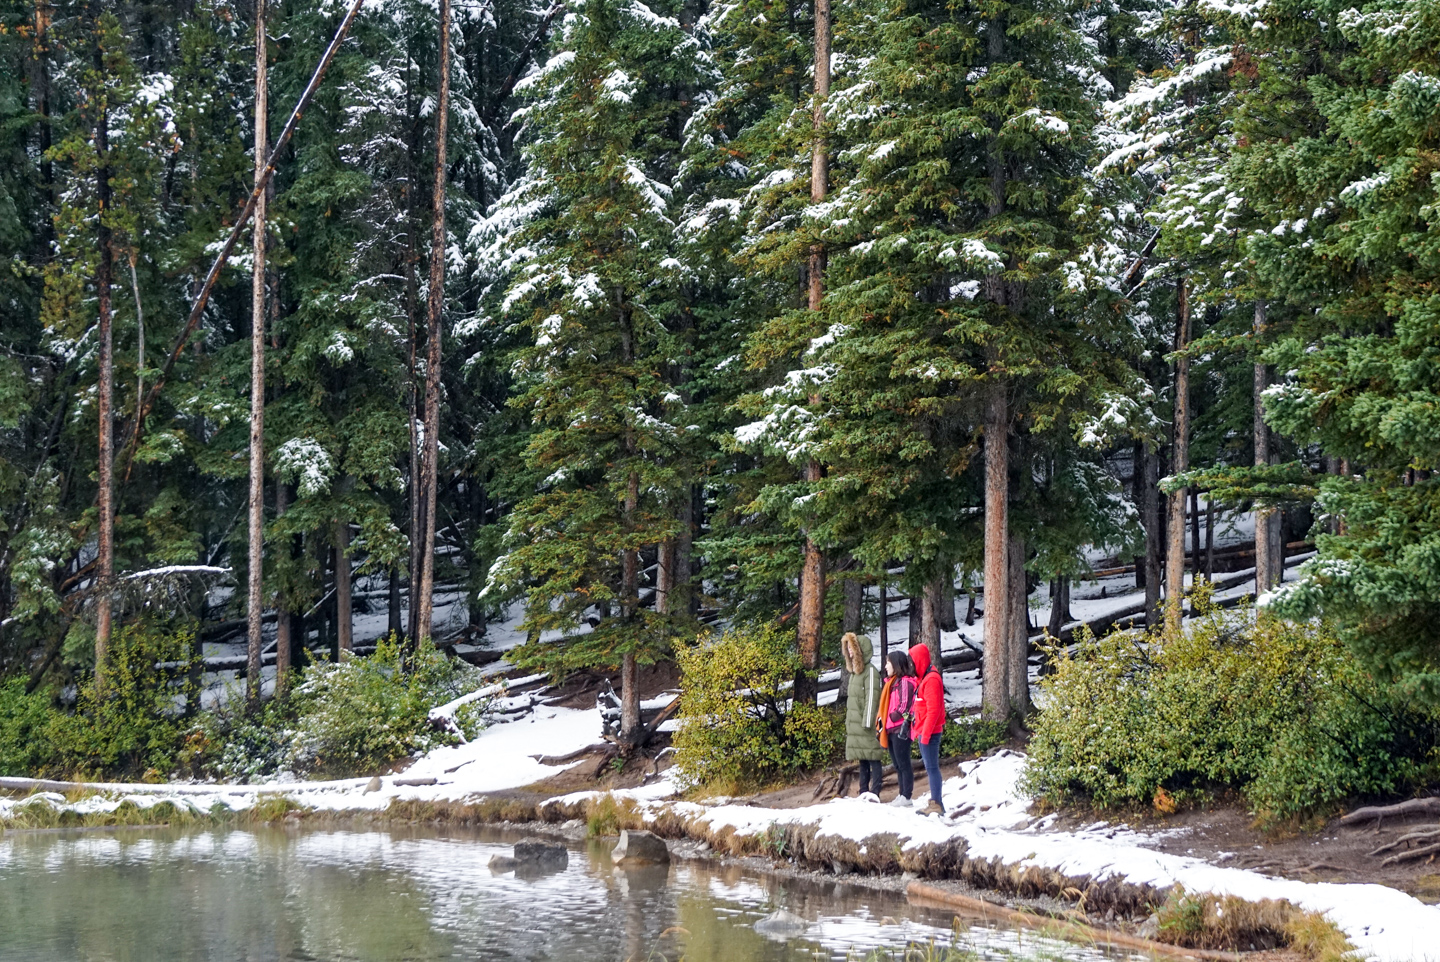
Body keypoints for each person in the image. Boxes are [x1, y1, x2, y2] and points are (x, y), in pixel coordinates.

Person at [842, 632, 887, 800]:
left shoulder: (870, 672)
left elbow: (872, 698)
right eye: (847, 647)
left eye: (852, 647)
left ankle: (875, 791)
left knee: (873, 757)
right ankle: (863, 791)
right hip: (857, 725)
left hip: (866, 724)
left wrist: (868, 721)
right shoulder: (855, 673)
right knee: (862, 759)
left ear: (860, 650)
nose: (849, 650)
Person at [908, 642, 947, 815]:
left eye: (913, 662)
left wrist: (925, 735)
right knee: (930, 767)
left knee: (932, 768)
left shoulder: (931, 679)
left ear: (920, 661)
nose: (911, 666)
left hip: (929, 732)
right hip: (923, 730)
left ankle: (936, 803)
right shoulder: (923, 678)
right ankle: (935, 802)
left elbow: (934, 710)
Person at [876, 650, 916, 807]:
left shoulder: (904, 682)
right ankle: (902, 794)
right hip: (890, 729)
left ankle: (907, 796)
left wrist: (891, 717)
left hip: (901, 729)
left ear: (896, 664)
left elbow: (904, 705)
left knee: (904, 763)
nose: (886, 666)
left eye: (888, 662)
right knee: (897, 765)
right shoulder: (891, 684)